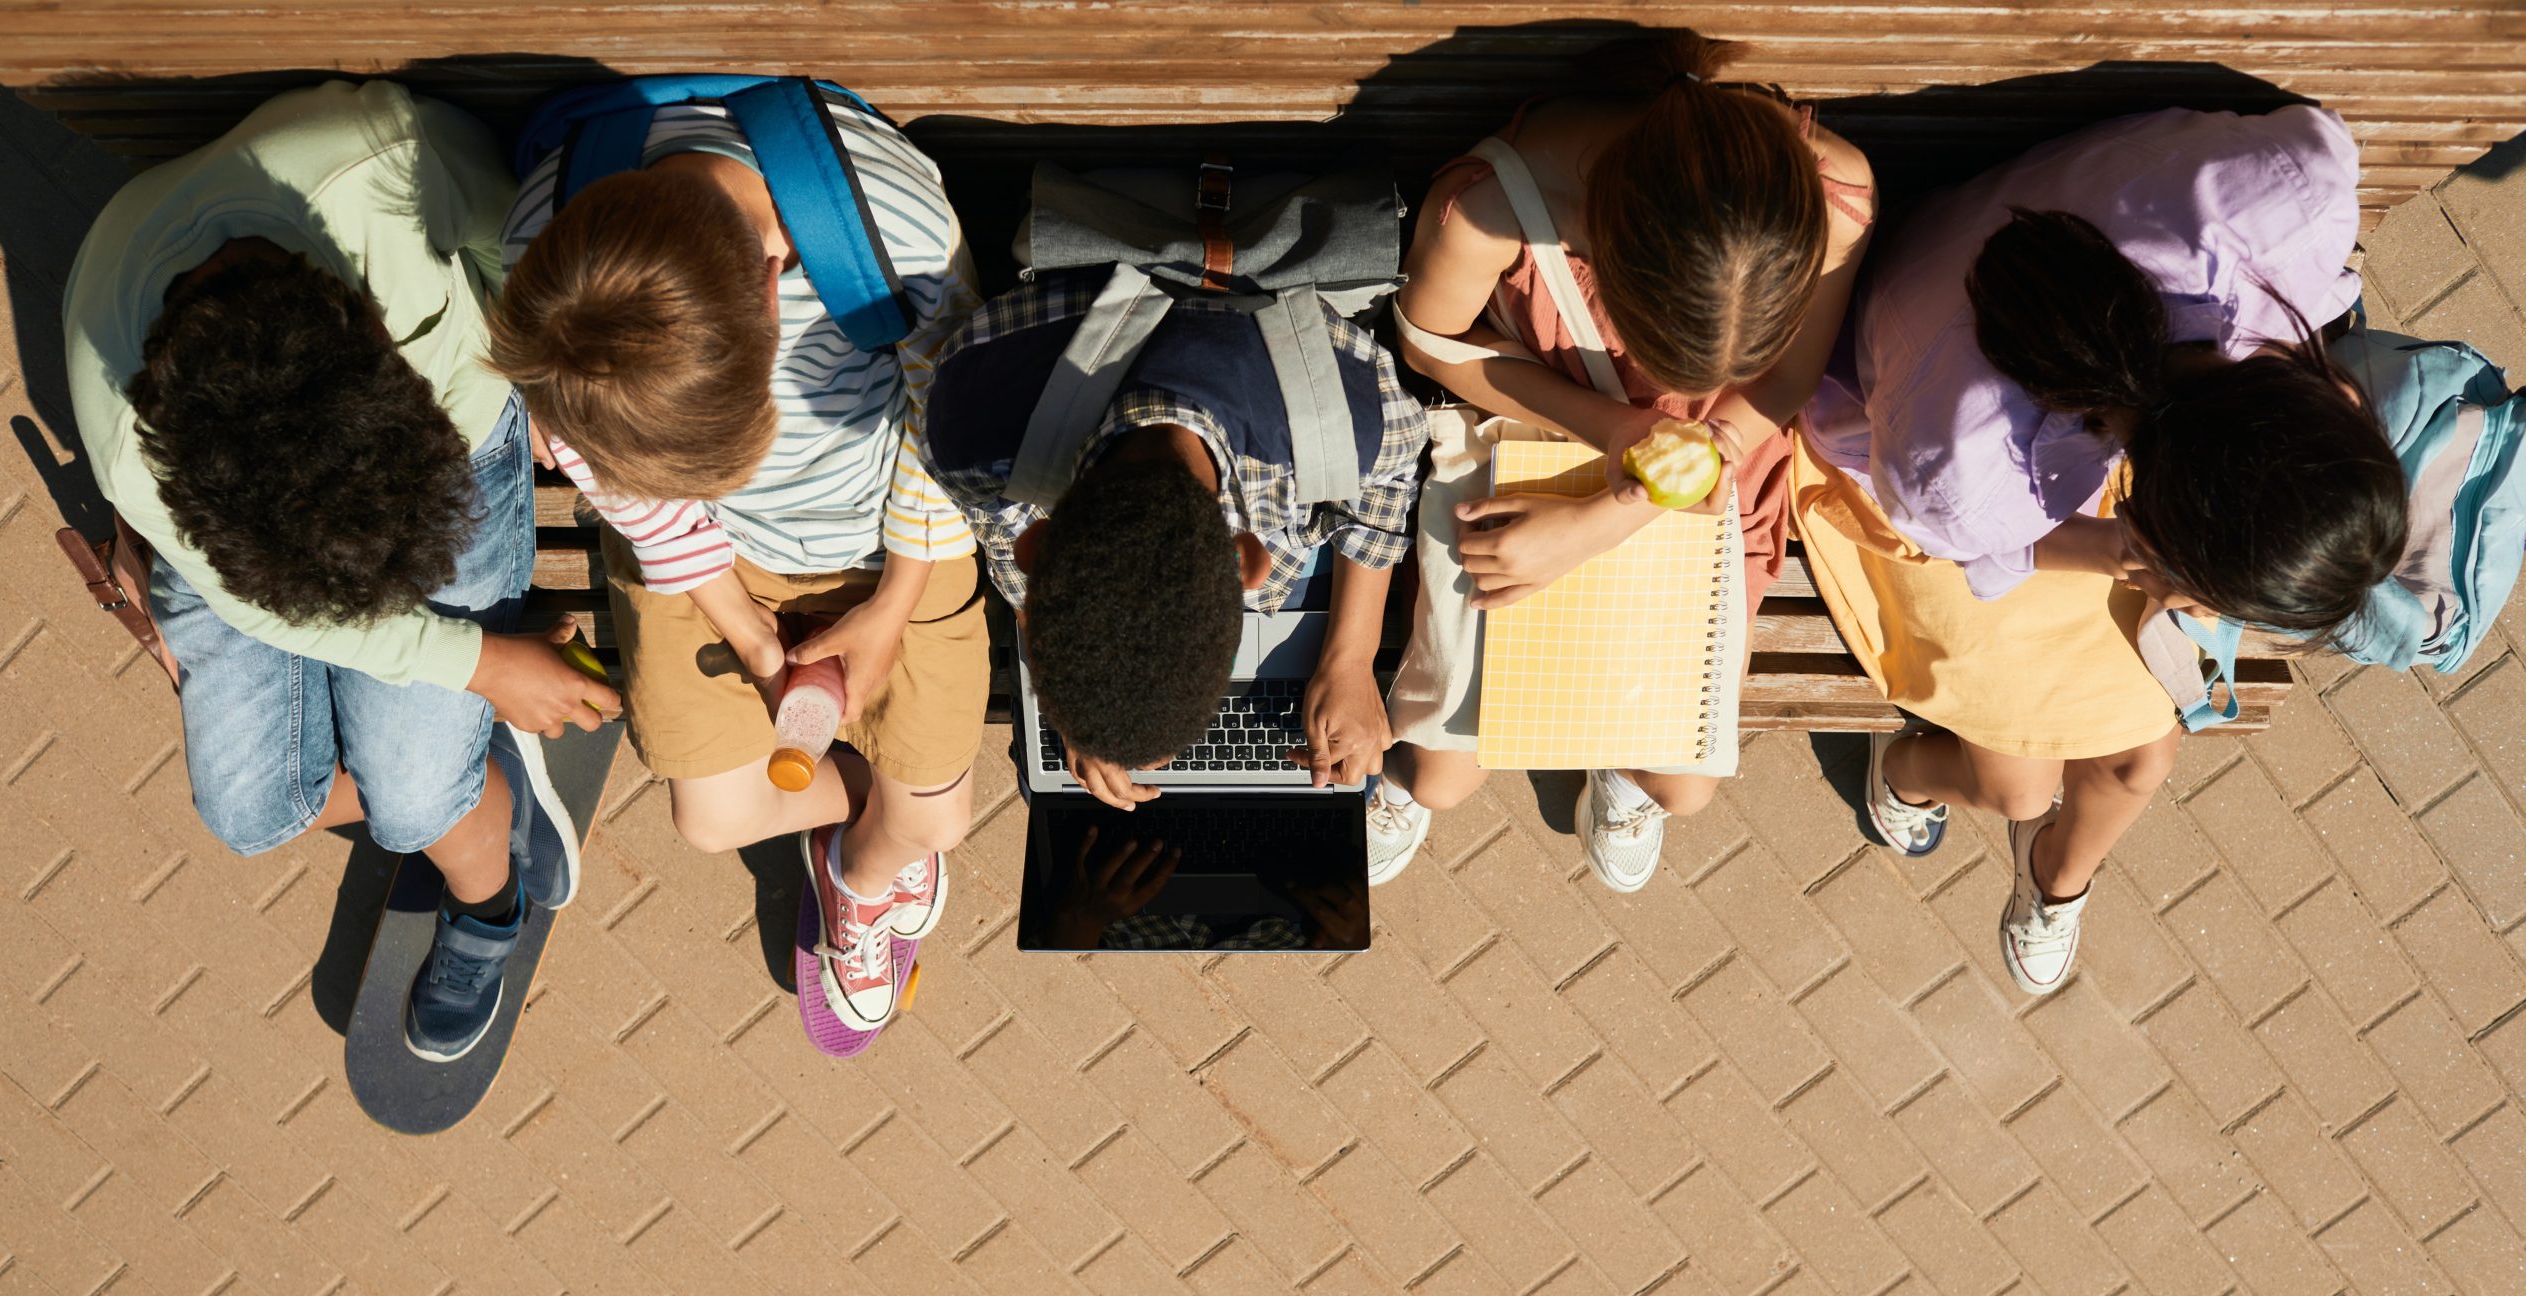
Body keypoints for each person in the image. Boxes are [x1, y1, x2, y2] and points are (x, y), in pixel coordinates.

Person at [1794, 104, 2405, 994]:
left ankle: (2052, 876)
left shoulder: (2299, 201)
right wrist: (2117, 552)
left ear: (2338, 399)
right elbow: (1974, 550)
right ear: (2159, 541)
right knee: (2025, 788)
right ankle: (1912, 775)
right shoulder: (1967, 481)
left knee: (2136, 757)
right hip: (1883, 453)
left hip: (1991, 384)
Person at [61, 80, 612, 1065]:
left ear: (377, 334)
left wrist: (549, 389)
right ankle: (469, 757)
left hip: (457, 448)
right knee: (251, 815)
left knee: (413, 803)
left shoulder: (378, 170)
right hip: (249, 524)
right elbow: (267, 612)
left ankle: (488, 902)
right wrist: (475, 664)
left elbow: (521, 253)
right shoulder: (135, 455)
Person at [487, 88, 987, 1035]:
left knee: (936, 824)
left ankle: (862, 870)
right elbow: (624, 483)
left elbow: (951, 411)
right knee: (711, 823)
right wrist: (753, 641)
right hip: (704, 559)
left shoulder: (890, 228)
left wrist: (893, 603)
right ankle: (883, 824)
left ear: (772, 285)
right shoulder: (554, 275)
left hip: (898, 533)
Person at [1370, 29, 1875, 893]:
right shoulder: (1492, 208)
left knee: (1684, 786)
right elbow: (1430, 344)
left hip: (1716, 468)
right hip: (1544, 446)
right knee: (1443, 778)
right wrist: (1616, 431)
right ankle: (1581, 746)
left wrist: (1627, 505)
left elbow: (1783, 379)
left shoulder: (1829, 193)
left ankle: (1615, 760)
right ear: (1602, 254)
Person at [920, 232, 1427, 810]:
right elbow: (1392, 471)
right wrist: (1091, 716)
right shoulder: (965, 425)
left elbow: (1395, 476)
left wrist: (1353, 655)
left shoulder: (966, 432)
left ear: (1253, 559)